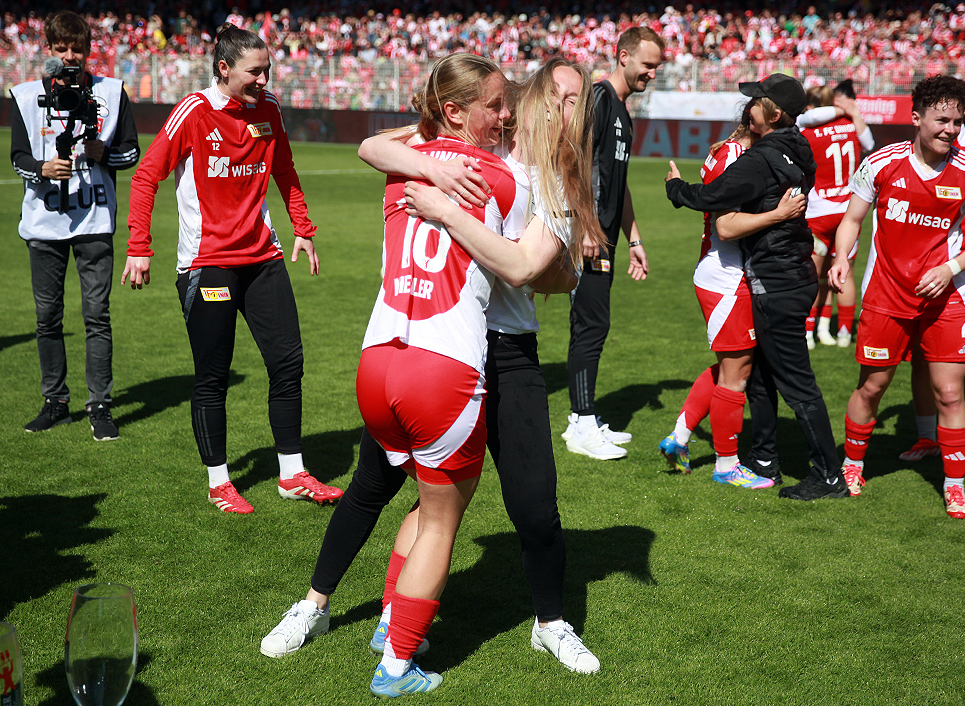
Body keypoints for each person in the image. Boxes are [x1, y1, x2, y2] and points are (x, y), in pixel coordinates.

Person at [259, 58, 603, 690]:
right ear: (530, 97)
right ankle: (316, 606)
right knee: (375, 487)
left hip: (501, 348)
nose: (563, 107)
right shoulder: (476, 144)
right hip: (440, 347)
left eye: (576, 100)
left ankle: (550, 622)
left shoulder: (555, 175)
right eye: (555, 94)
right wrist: (434, 170)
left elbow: (534, 271)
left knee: (532, 504)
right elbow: (373, 146)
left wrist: (449, 209)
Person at [122, 25, 341, 513]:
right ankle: (219, 481)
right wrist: (139, 246)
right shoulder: (194, 111)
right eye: (254, 71)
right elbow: (146, 176)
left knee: (288, 364)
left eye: (267, 70)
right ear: (223, 68)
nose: (264, 80)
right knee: (213, 375)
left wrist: (303, 228)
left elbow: (284, 169)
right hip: (208, 266)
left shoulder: (269, 109)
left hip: (263, 258)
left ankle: (292, 473)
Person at [666, 73, 848, 501]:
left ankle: (828, 475)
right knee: (761, 375)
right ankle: (764, 458)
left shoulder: (761, 158)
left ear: (775, 114)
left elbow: (711, 200)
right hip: (790, 272)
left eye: (755, 102)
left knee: (794, 382)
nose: (747, 108)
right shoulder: (799, 146)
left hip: (776, 278)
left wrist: (675, 188)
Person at [829, 75, 965, 518]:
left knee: (949, 393)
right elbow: (852, 219)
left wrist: (950, 269)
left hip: (947, 298)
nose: (950, 130)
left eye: (958, 122)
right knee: (873, 386)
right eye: (942, 121)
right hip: (885, 294)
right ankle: (852, 465)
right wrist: (841, 257)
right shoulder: (881, 162)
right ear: (917, 118)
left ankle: (954, 487)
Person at [659, 107, 806, 490]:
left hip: (725, 273)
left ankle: (679, 437)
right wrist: (779, 214)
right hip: (727, 276)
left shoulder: (728, 149)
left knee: (731, 367)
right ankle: (726, 465)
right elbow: (725, 227)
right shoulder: (737, 156)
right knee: (736, 376)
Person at [11, 10, 139, 440]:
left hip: (95, 219)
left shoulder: (112, 92)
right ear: (49, 49)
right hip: (43, 223)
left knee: (96, 315)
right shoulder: (25, 96)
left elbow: (131, 153)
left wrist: (104, 153)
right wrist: (43, 168)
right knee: (47, 317)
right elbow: (18, 158)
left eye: (77, 49)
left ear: (88, 51)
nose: (70, 56)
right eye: (62, 48)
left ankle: (100, 404)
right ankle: (55, 402)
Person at [561, 26, 661, 460]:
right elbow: (572, 162)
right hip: (588, 236)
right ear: (623, 56)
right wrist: (584, 226)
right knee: (591, 324)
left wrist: (634, 238)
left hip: (604, 235)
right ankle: (582, 425)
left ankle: (582, 417)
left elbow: (619, 184)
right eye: (648, 64)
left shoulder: (624, 111)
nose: (652, 73)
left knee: (593, 323)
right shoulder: (599, 99)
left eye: (657, 67)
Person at [895, 121, 965, 472]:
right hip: (926, 275)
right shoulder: (918, 148)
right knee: (921, 358)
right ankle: (927, 438)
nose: (947, 124)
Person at [798, 82, 874, 349]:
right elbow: (870, 143)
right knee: (846, 274)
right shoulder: (851, 124)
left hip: (818, 213)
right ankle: (843, 332)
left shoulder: (807, 130)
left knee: (811, 275)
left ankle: (808, 332)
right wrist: (851, 112)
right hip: (848, 213)